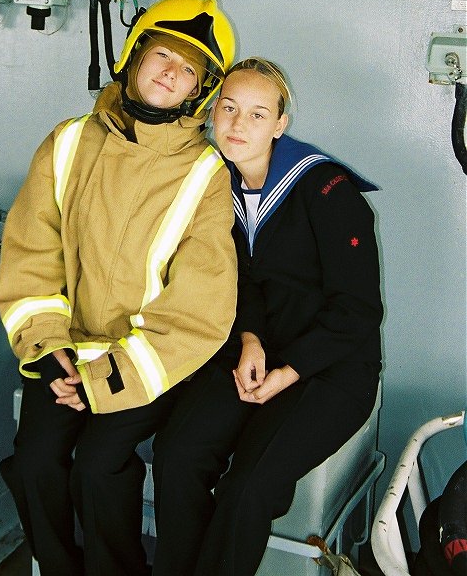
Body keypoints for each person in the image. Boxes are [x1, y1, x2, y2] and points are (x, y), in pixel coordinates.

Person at [0, 0, 238, 576]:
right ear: (132, 59)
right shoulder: (68, 142)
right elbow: (32, 254)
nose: (170, 73)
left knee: (99, 466)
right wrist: (49, 352)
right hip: (64, 351)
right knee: (34, 464)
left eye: (188, 69)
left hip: (145, 362)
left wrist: (108, 381)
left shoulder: (205, 174)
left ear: (197, 92)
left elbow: (199, 310)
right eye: (161, 55)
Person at [152, 57, 384, 576]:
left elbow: (358, 309)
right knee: (178, 453)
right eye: (229, 109)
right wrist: (252, 340)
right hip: (257, 352)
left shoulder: (326, 191)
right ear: (212, 114)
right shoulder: (218, 187)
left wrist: (290, 369)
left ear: (281, 124)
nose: (238, 124)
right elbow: (243, 280)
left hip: (330, 368)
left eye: (258, 115)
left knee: (249, 486)